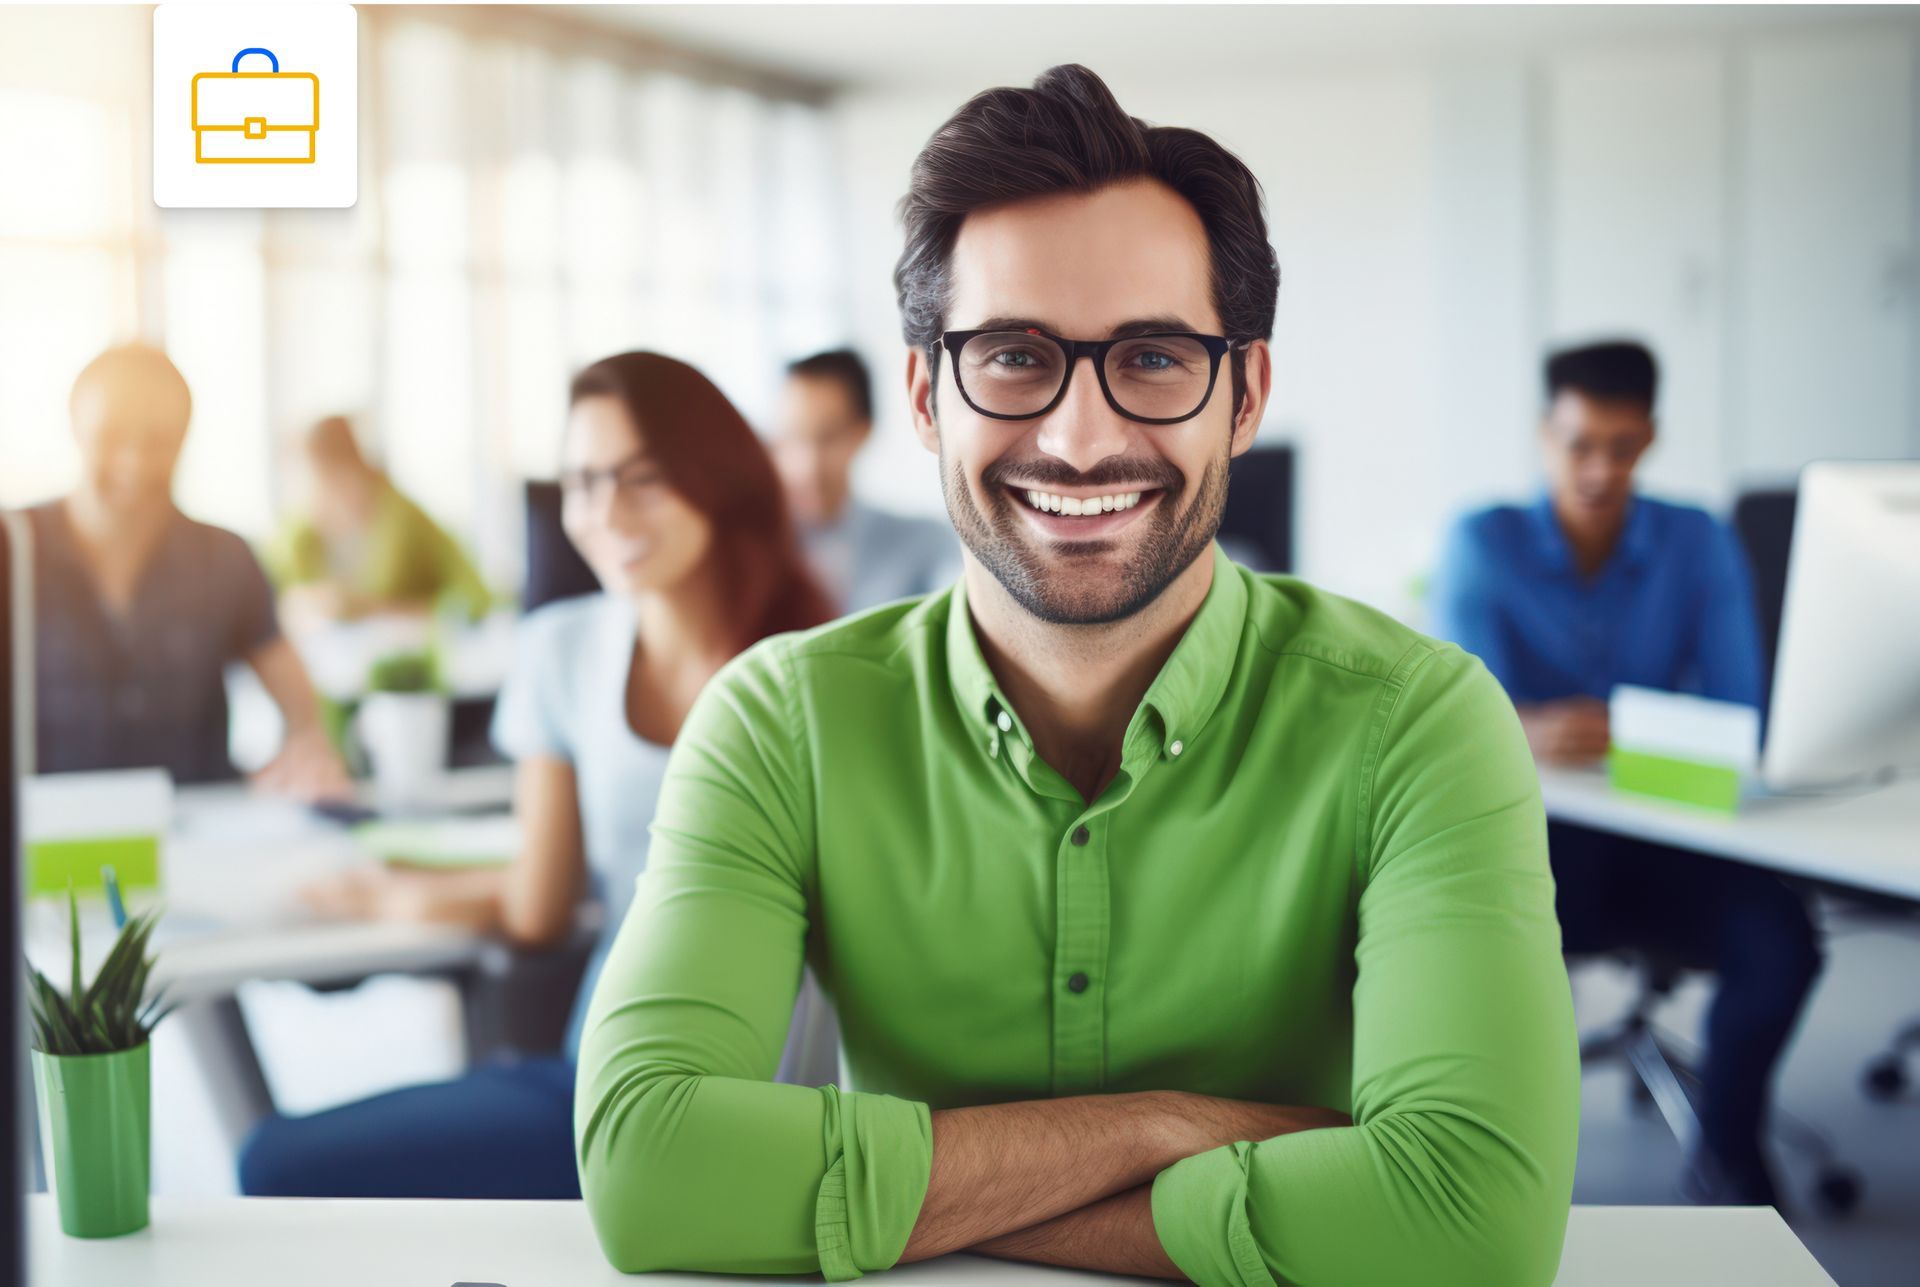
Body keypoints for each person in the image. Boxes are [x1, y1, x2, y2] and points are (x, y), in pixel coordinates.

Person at [574, 65, 1578, 1285]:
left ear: (1244, 393)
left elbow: (1470, 1220)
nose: (1081, 437)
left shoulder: (1418, 722)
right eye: (1012, 355)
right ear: (926, 395)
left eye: (1153, 357)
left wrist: (895, 1190)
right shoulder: (779, 721)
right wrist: (1158, 1133)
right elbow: (650, 1172)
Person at [238, 352, 839, 1199]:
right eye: (583, 482)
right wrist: (387, 892)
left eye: (644, 478)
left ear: (718, 477)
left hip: (792, 1110)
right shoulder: (560, 650)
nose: (605, 512)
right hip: (607, 1081)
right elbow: (538, 901)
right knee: (275, 1164)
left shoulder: (820, 666)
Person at [1428, 339, 1822, 1206]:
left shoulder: (1696, 540)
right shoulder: (1480, 542)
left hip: (1668, 832)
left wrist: (1574, 729)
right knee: (1467, 960)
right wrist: (1537, 731)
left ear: (1650, 439)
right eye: (1578, 443)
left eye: (1622, 445)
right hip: (1533, 842)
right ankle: (1484, 1174)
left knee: (1784, 944)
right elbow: (1456, 725)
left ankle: (1727, 1149)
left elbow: (1740, 715)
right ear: (1544, 434)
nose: (1599, 469)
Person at [26, 343, 346, 797]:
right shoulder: (14, 549)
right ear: (76, 426)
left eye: (159, 439)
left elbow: (303, 715)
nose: (135, 462)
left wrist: (308, 756)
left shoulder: (227, 558)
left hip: (195, 835)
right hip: (48, 841)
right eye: (113, 435)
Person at [771, 348, 959, 612]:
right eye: (793, 437)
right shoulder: (755, 548)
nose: (808, 465)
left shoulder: (923, 543)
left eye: (829, 437)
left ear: (863, 432)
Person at [267, 414, 492, 630]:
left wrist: (379, 610)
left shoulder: (405, 518)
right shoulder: (299, 532)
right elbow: (263, 599)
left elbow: (477, 599)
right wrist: (305, 602)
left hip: (406, 658)